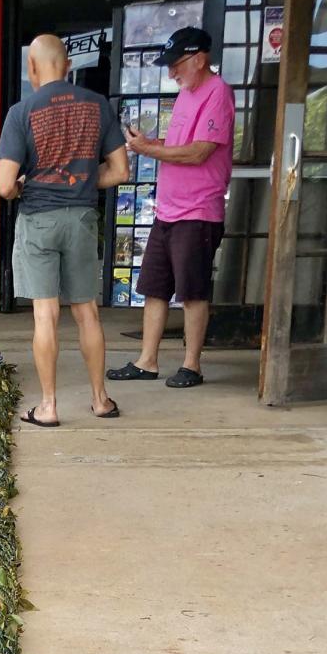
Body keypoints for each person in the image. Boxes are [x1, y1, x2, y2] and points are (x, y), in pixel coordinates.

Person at [0, 34, 129, 426]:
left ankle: (49, 406)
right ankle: (100, 399)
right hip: (83, 219)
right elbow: (120, 170)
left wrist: (24, 185)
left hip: (38, 219)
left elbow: (4, 186)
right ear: (67, 66)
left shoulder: (23, 112)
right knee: (86, 312)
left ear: (32, 68)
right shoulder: (98, 106)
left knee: (45, 316)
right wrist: (83, 182)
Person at [107, 27, 234, 389]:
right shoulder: (187, 94)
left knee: (193, 291)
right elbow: (180, 144)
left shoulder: (218, 93)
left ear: (199, 59)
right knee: (155, 287)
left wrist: (150, 151)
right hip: (168, 210)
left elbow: (200, 151)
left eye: (176, 65)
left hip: (198, 211)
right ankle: (147, 360)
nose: (171, 73)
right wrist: (153, 143)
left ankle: (191, 365)